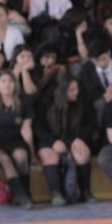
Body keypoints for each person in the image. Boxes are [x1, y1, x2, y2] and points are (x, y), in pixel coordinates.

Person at [0, 69, 35, 208]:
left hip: (16, 140)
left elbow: (26, 130)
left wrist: (33, 154)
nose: (7, 84)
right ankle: (22, 196)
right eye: (3, 81)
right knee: (5, 159)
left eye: (10, 81)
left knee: (21, 156)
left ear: (15, 84)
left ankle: (25, 192)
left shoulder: (23, 100)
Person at [35, 74, 96, 205]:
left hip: (76, 137)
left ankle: (86, 192)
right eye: (72, 90)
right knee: (49, 156)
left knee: (82, 154)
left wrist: (80, 138)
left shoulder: (83, 99)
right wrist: (52, 142)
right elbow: (38, 126)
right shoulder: (45, 101)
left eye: (76, 88)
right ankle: (57, 193)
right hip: (51, 138)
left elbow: (91, 123)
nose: (76, 92)